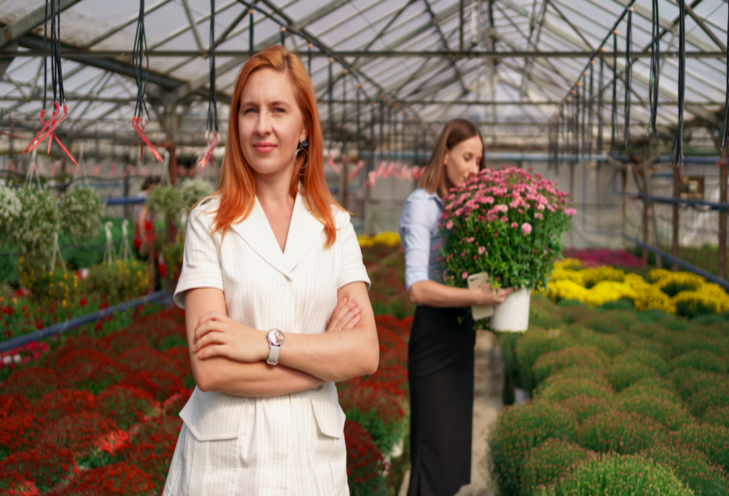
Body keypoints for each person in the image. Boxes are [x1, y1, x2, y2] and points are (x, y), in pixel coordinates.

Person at [162, 45, 378, 495]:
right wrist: (324, 361)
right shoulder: (209, 222)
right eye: (249, 110)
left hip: (311, 466)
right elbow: (211, 371)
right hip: (224, 469)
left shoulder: (335, 226)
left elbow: (364, 353)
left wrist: (262, 342)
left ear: (304, 126)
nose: (262, 126)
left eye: (278, 110)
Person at [399, 119, 514, 496]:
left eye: (479, 161)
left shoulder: (464, 209)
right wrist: (478, 298)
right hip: (433, 341)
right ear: (444, 153)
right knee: (432, 460)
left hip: (460, 336)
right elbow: (417, 288)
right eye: (467, 157)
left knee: (450, 463)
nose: (474, 168)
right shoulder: (423, 205)